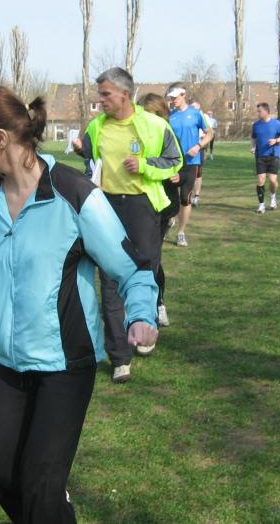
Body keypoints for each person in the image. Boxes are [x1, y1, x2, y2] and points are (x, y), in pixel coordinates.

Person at [0, 86, 159, 521]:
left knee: (40, 486)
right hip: (10, 363)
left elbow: (133, 268)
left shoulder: (74, 194)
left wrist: (141, 315)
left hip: (65, 365)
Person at [76, 68, 182, 381]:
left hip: (142, 207)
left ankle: (144, 328)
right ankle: (120, 357)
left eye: (105, 94)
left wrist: (145, 166)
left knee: (144, 273)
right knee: (110, 280)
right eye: (100, 94)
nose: (100, 100)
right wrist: (83, 156)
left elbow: (174, 161)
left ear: (124, 94)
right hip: (106, 208)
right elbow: (90, 163)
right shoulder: (96, 127)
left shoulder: (155, 125)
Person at [137, 92, 183, 329]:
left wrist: (178, 176)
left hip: (163, 206)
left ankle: (158, 304)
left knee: (151, 257)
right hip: (136, 205)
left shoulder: (167, 133)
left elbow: (181, 166)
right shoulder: (133, 133)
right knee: (137, 257)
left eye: (150, 115)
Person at [166, 85, 213, 247]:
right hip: (173, 163)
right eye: (171, 97)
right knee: (169, 198)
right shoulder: (170, 116)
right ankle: (169, 220)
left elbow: (210, 133)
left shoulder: (196, 114)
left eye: (175, 97)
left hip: (191, 163)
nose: (173, 100)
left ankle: (181, 233)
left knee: (185, 198)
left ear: (183, 95)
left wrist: (198, 146)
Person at [250, 102, 280, 214]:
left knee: (272, 180)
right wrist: (253, 147)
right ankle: (261, 205)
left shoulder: (276, 124)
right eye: (257, 111)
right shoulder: (256, 125)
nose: (258, 113)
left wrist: (276, 140)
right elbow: (253, 138)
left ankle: (273, 197)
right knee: (260, 180)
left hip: (273, 155)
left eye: (259, 111)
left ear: (266, 111)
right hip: (260, 156)